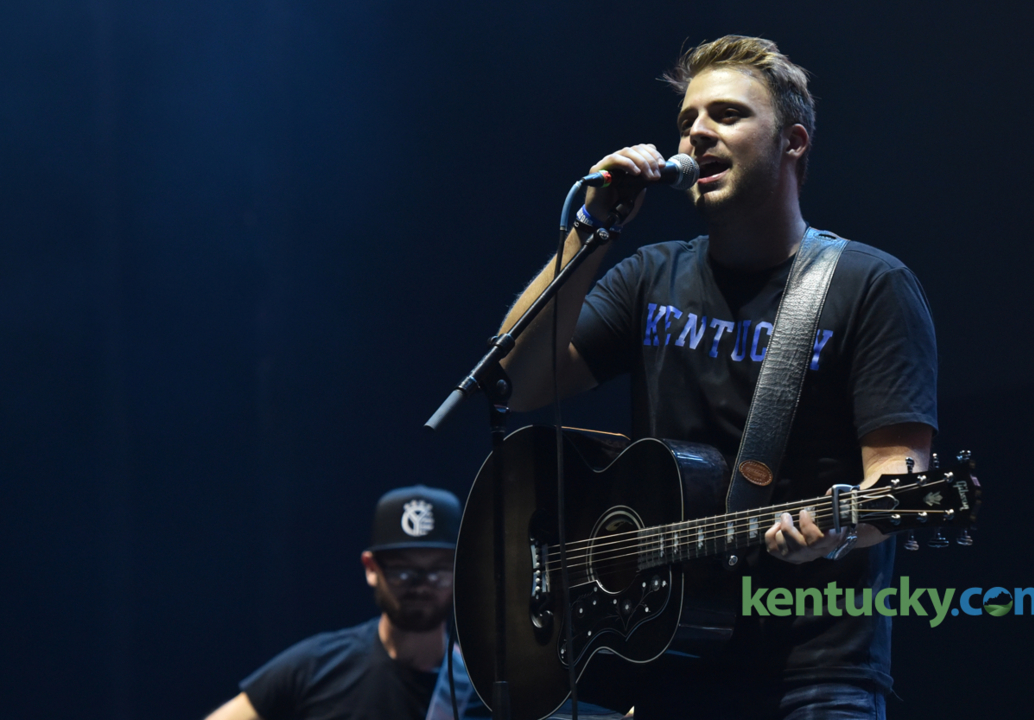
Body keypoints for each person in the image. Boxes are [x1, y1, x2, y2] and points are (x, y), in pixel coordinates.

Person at [497, 36, 937, 719]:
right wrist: (590, 231)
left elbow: (902, 484)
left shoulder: (868, 286)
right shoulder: (650, 276)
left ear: (792, 143)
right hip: (666, 659)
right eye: (686, 120)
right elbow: (516, 383)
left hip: (812, 672)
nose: (696, 132)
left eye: (727, 115)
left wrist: (838, 529)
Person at [205, 485, 481, 720]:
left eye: (438, 572)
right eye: (402, 572)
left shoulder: (484, 688)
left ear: (460, 571)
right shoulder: (314, 667)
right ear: (371, 568)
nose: (421, 586)